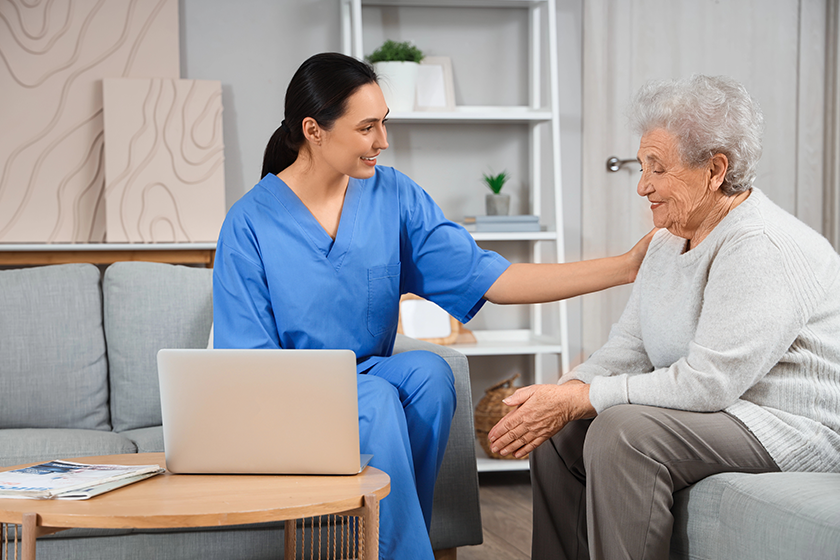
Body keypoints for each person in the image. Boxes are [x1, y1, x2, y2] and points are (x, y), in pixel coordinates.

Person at [212, 52, 652, 560]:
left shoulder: (392, 195)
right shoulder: (249, 224)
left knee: (430, 372)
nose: (383, 141)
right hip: (292, 392)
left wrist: (625, 266)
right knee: (375, 399)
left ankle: (393, 541)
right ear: (314, 130)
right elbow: (247, 367)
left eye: (384, 123)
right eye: (366, 128)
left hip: (365, 373)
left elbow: (492, 277)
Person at [488, 74, 840, 560]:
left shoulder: (760, 245)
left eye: (657, 168)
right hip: (724, 411)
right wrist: (562, 394)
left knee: (623, 433)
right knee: (560, 430)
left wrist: (582, 399)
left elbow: (709, 383)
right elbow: (627, 348)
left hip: (784, 424)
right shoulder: (669, 238)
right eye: (641, 166)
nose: (641, 186)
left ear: (715, 169)